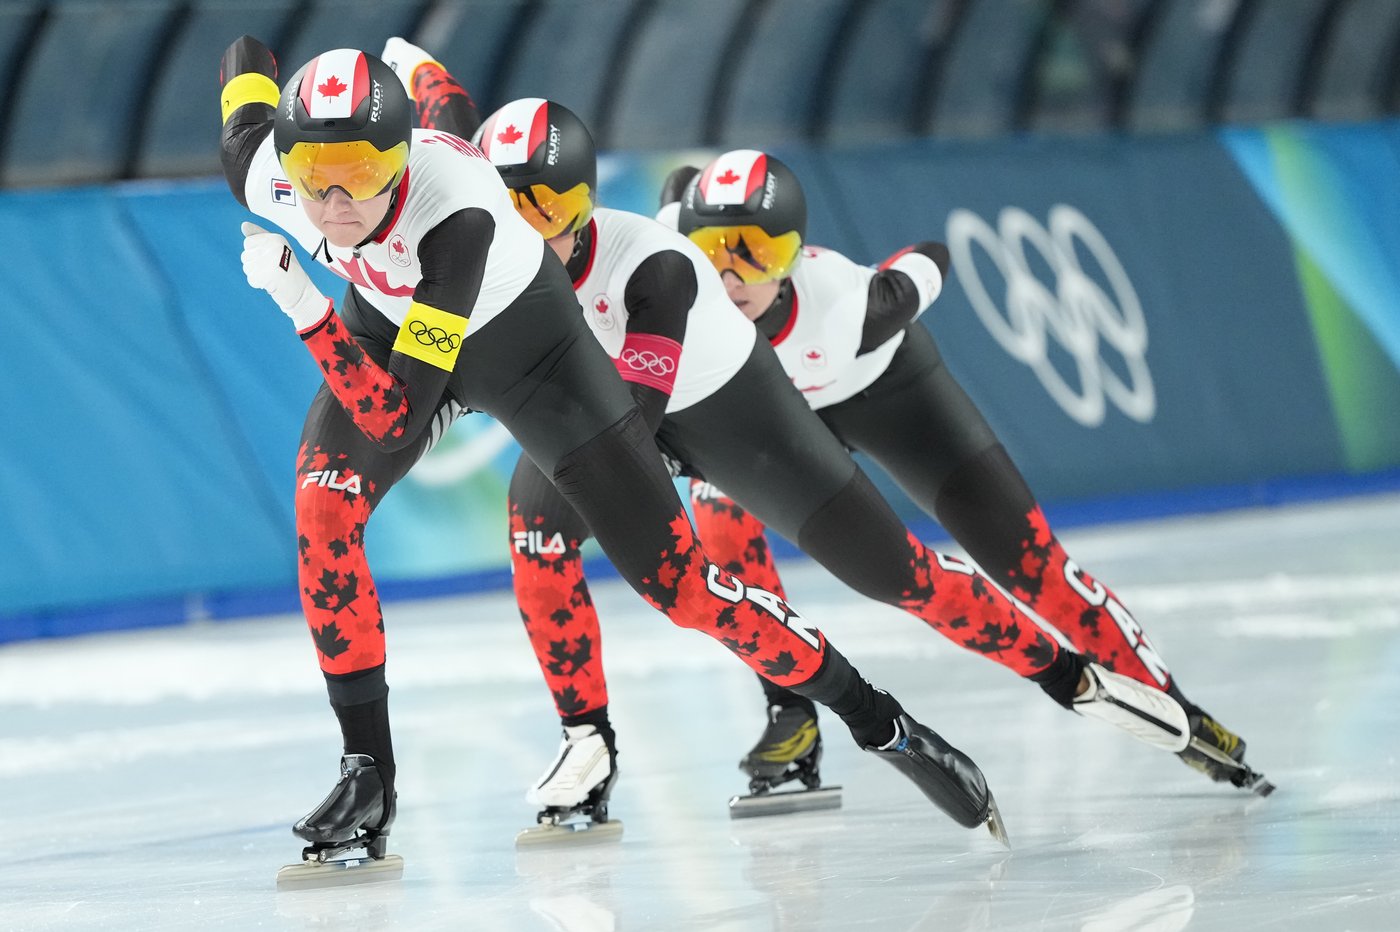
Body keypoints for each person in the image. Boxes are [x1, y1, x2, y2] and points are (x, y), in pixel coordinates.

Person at [379, 41, 1247, 832]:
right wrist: (420, 73)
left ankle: (1073, 676)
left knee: (899, 576)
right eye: (512, 206)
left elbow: (635, 433)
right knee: (537, 535)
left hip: (727, 408)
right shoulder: (468, 239)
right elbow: (443, 116)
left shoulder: (665, 267)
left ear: (589, 203)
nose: (531, 228)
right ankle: (598, 738)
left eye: (553, 206)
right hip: (609, 410)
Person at [217, 36, 1008, 880]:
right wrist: (398, 74)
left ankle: (875, 716)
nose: (334, 199)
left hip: (534, 362)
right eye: (312, 170)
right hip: (392, 326)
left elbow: (393, 415)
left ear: (402, 160)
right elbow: (243, 78)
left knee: (686, 590)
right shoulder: (269, 172)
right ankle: (366, 772)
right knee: (323, 509)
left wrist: (302, 303)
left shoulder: (458, 218)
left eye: (363, 171)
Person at [657, 151, 1271, 796]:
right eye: (712, 249)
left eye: (757, 253)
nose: (729, 275)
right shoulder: (670, 259)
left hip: (885, 394)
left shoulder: (850, 307)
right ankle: (790, 709)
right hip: (771, 413)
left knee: (1033, 567)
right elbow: (676, 190)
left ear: (796, 256)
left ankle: (1179, 713)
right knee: (722, 536)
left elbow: (929, 258)